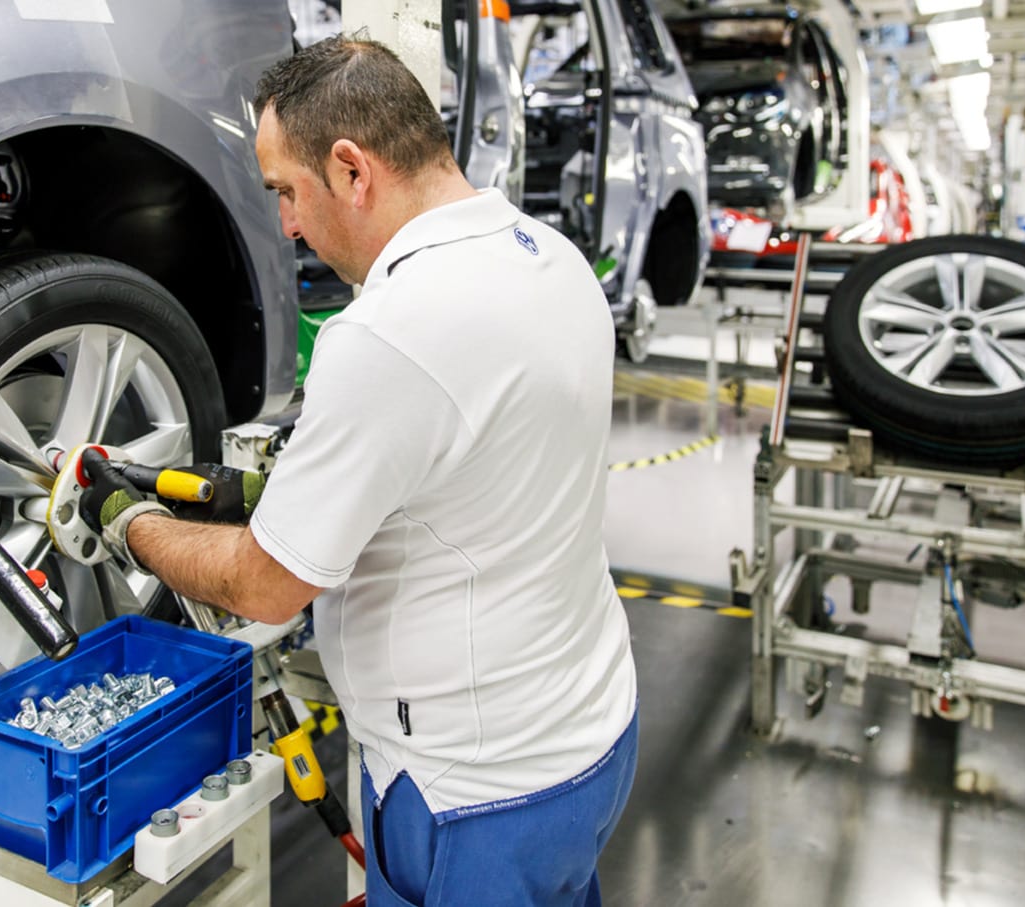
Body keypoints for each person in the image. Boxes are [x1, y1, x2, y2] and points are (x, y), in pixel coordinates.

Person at [82, 34, 638, 906]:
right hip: (590, 732)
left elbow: (268, 589)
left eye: (285, 192)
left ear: (350, 168)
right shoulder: (548, 256)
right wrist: (304, 486)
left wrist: (129, 524)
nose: (288, 225)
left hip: (473, 796)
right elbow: (468, 461)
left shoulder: (387, 331)